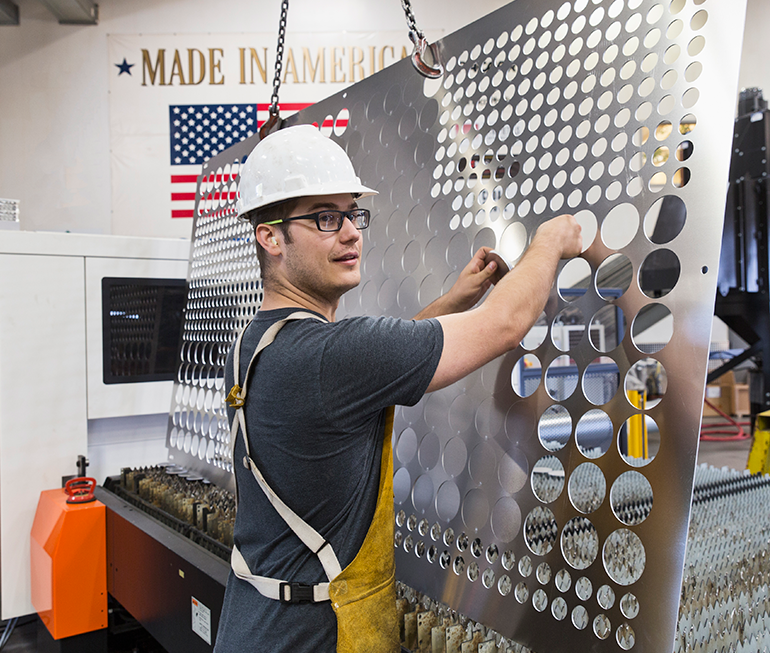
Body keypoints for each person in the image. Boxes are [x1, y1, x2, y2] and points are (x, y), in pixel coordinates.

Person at [213, 125, 582, 653]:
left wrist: (455, 299)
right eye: (324, 217)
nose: (350, 233)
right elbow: (506, 323)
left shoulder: (260, 343)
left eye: (352, 214)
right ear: (270, 236)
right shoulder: (330, 356)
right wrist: (549, 242)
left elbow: (367, 374)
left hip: (254, 625)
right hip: (313, 638)